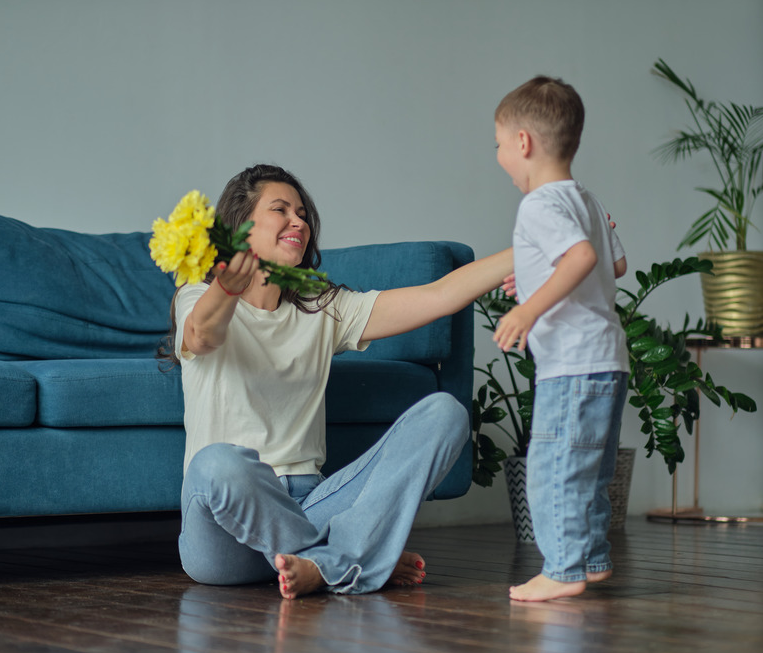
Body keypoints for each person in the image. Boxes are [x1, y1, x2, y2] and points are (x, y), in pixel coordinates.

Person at [161, 164, 514, 599]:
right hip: (221, 538)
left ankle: (327, 562)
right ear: (242, 227)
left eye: (303, 214)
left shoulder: (322, 309)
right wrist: (227, 288)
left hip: (311, 506)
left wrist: (534, 247)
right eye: (281, 209)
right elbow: (202, 333)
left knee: (446, 413)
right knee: (216, 464)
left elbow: (438, 296)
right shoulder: (197, 295)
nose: (300, 221)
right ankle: (349, 559)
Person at [491, 76, 629, 602]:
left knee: (554, 469)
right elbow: (614, 261)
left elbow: (581, 259)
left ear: (523, 142)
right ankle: (592, 560)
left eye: (499, 144)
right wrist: (528, 277)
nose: (500, 155)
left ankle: (563, 570)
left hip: (571, 366)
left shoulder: (538, 205)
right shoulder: (586, 200)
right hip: (606, 361)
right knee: (590, 470)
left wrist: (527, 308)